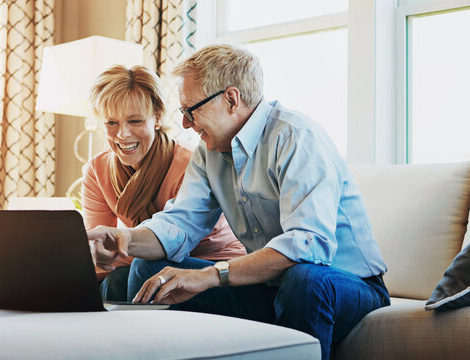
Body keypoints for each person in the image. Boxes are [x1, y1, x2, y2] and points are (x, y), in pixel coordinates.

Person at [87, 46, 390, 359]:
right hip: (271, 288)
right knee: (150, 269)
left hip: (347, 286)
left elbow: (307, 245)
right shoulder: (209, 152)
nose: (187, 124)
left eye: (191, 110)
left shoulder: (296, 137)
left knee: (305, 279)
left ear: (231, 99)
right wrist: (124, 239)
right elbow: (179, 223)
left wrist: (209, 276)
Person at [82, 64, 246, 302]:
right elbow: (102, 251)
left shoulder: (191, 165)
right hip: (141, 259)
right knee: (110, 281)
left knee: (135, 272)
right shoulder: (97, 171)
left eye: (135, 121)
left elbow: (177, 243)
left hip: (210, 265)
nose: (123, 134)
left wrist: (118, 247)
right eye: (111, 123)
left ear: (157, 117)